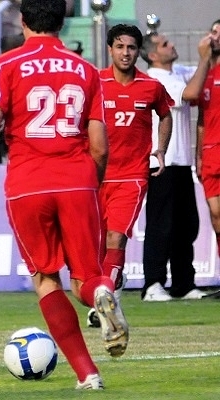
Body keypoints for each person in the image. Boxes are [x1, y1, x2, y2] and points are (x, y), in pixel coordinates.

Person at [0, 0, 127, 390]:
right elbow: (100, 146)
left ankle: (88, 374)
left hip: (27, 184)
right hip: (77, 180)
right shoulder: (88, 71)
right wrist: (92, 180)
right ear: (60, 21)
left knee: (45, 278)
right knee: (86, 277)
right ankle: (103, 291)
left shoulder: (5, 65)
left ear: (22, 21)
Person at [85, 24, 173, 326]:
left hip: (132, 176)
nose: (126, 53)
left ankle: (104, 303)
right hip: (95, 176)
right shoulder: (94, 82)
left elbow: (165, 115)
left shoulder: (151, 87)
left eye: (131, 47)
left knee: (116, 238)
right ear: (110, 49)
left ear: (139, 51)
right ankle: (112, 287)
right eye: (120, 47)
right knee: (97, 245)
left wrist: (160, 149)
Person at [138, 31, 214, 301]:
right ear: (152, 55)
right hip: (162, 161)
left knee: (186, 224)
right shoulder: (156, 80)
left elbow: (205, 71)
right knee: (161, 225)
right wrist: (205, 58)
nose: (172, 46)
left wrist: (211, 50)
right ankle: (153, 284)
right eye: (165, 44)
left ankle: (183, 282)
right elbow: (193, 92)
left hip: (180, 161)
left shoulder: (176, 71)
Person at [196, 20, 220, 261]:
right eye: (214, 32)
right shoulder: (204, 74)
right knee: (216, 215)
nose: (217, 37)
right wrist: (199, 157)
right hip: (211, 153)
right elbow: (201, 118)